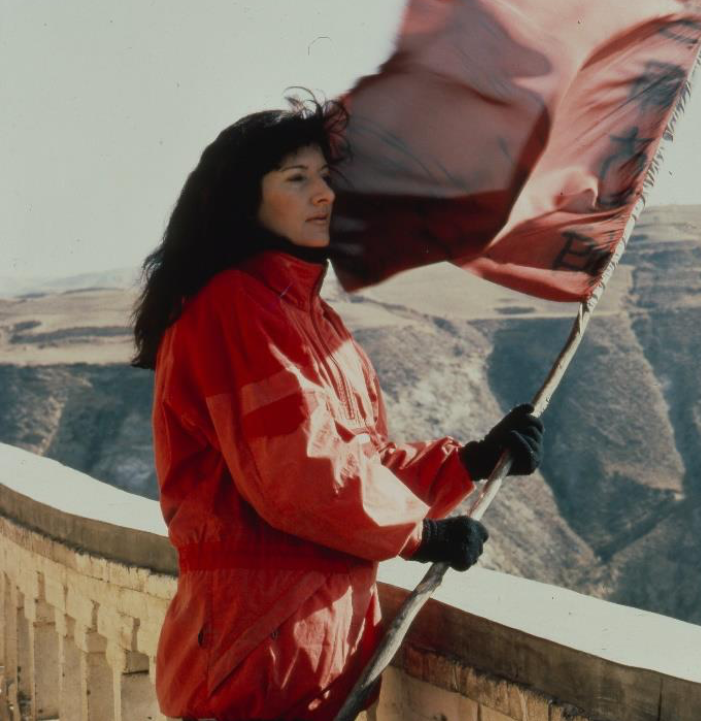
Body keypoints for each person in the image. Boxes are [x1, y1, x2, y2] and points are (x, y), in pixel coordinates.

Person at [131, 95, 545, 721]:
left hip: (311, 647)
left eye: (326, 177)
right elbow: (297, 474)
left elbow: (360, 463)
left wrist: (469, 462)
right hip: (257, 656)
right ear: (245, 199)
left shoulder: (309, 316)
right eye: (297, 180)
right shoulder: (234, 307)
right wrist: (420, 534)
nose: (324, 194)